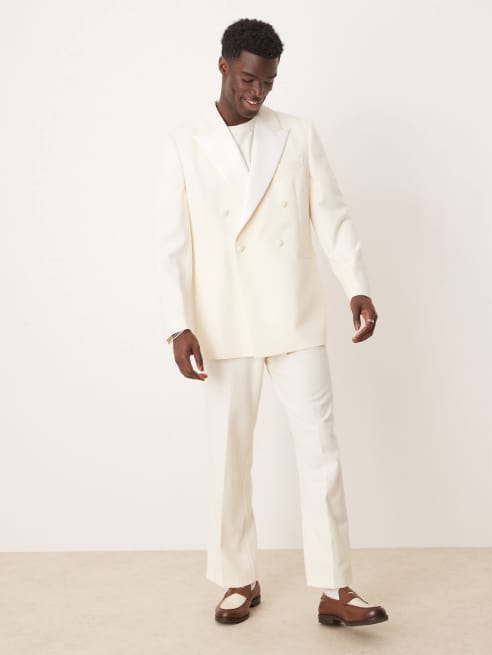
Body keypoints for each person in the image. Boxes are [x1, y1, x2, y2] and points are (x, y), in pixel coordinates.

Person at [154, 17, 388, 627]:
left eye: (269, 83)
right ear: (224, 66)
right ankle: (238, 577)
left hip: (294, 312)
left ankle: (336, 587)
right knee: (229, 456)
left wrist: (357, 286)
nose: (258, 93)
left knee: (321, 449)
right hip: (223, 318)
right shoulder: (184, 142)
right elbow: (172, 244)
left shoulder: (298, 134)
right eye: (248, 80)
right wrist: (177, 323)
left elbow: (331, 215)